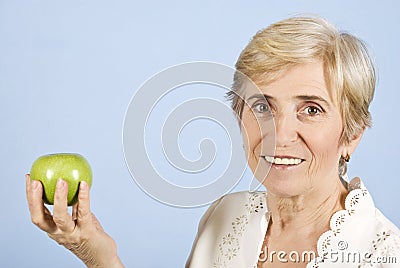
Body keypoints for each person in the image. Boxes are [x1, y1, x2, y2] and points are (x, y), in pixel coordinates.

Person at [26, 16, 400, 267]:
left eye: (312, 109)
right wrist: (97, 253)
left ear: (352, 134)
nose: (280, 134)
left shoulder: (386, 254)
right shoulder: (224, 216)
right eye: (261, 106)